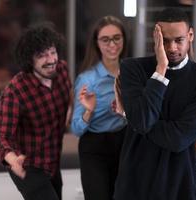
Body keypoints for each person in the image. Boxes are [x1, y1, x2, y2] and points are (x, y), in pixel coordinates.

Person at [114, 7, 196, 200]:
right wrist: (161, 69)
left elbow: (178, 140)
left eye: (179, 40)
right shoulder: (132, 69)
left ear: (190, 35)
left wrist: (129, 115)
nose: (172, 48)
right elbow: (141, 122)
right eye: (165, 41)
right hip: (133, 184)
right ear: (155, 37)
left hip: (178, 185)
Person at [0, 23, 72, 200]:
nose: (51, 60)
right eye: (42, 56)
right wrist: (13, 160)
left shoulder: (62, 70)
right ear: (30, 60)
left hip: (52, 160)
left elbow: (68, 102)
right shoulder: (15, 91)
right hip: (27, 164)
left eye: (52, 52)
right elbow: (1, 137)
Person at [70, 16, 127, 200]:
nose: (112, 44)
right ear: (96, 43)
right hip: (94, 148)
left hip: (124, 143)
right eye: (105, 39)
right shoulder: (87, 80)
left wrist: (125, 110)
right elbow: (76, 129)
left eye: (117, 38)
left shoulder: (131, 74)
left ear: (124, 40)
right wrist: (89, 110)